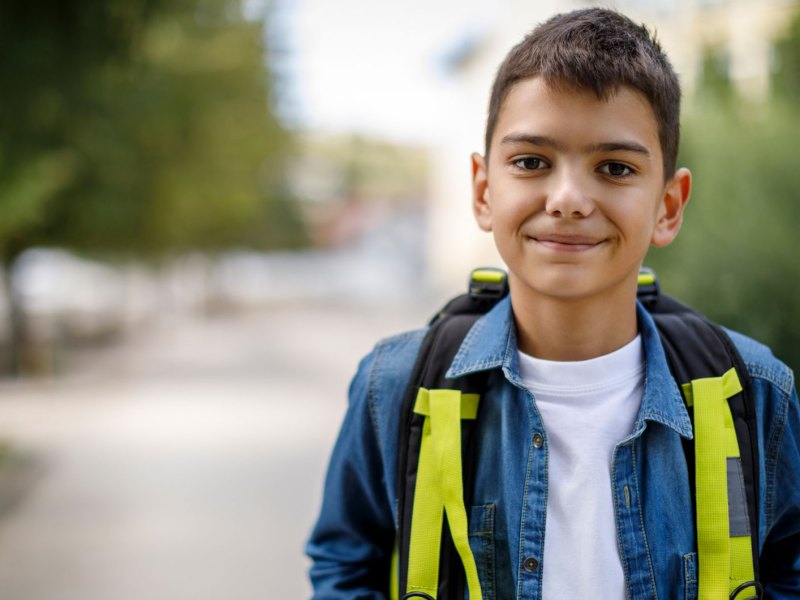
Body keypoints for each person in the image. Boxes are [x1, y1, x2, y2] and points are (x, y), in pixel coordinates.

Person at [306, 7, 800, 598]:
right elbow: (345, 565)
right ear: (484, 190)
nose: (567, 199)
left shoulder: (757, 392)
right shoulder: (393, 387)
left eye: (614, 168)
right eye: (532, 162)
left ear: (668, 206)